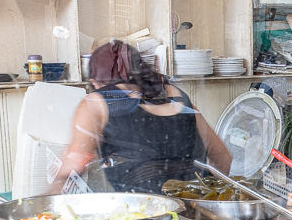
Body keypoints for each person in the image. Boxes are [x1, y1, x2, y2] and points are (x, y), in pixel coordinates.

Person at [50, 40, 232, 193]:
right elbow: (223, 157)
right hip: (194, 212)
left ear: (95, 82)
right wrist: (212, 200)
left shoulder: (96, 103)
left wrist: (45, 202)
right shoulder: (178, 98)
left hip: (146, 214)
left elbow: (73, 166)